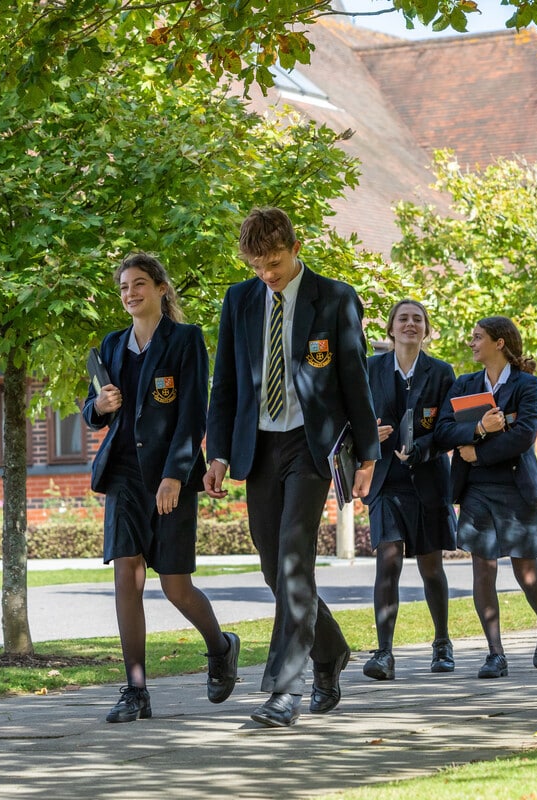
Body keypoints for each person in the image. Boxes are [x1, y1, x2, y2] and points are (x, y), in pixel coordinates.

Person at [204, 207, 381, 728]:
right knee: (271, 564)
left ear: (294, 247)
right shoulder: (238, 301)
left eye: (275, 262)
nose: (267, 274)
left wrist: (368, 453)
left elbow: (355, 379)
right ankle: (330, 652)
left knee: (293, 561)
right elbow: (227, 382)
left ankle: (286, 689)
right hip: (258, 446)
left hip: (311, 445)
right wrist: (216, 452)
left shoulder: (336, 298)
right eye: (258, 265)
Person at [83, 253, 239, 723]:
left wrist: (175, 474)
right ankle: (135, 689)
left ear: (161, 289)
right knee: (126, 576)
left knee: (175, 586)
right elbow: (92, 410)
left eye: (139, 285)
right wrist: (100, 405)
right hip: (124, 476)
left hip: (171, 475)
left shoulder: (186, 340)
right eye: (124, 287)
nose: (131, 294)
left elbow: (194, 411)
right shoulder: (111, 346)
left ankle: (220, 647)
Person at [432, 315, 537, 679]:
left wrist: (478, 452)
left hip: (516, 490)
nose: (471, 343)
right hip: (475, 491)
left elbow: (524, 436)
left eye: (477, 337)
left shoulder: (526, 385)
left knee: (526, 573)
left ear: (499, 343)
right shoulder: (465, 384)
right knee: (483, 571)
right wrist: (478, 428)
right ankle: (495, 653)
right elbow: (442, 430)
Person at [361, 300, 458, 681]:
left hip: (429, 479)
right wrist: (370, 434)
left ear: (427, 329)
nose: (410, 324)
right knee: (388, 560)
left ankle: (442, 644)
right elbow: (352, 418)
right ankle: (384, 652)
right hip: (385, 481)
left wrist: (424, 446)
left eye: (417, 319)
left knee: (431, 566)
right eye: (403, 319)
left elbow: (449, 426)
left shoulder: (442, 373)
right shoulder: (370, 369)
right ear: (391, 328)